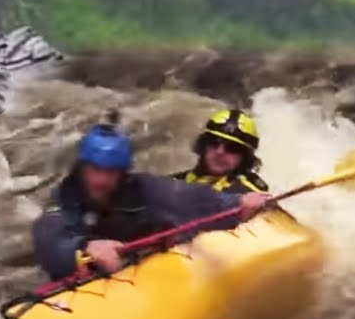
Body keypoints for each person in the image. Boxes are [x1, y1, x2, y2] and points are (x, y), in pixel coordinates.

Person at [31, 113, 272, 280]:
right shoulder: (65, 196)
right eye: (95, 170)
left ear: (123, 173)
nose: (101, 181)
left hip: (133, 271)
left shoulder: (143, 187)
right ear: (82, 168)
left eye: (111, 172)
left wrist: (238, 204)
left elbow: (196, 200)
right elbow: (48, 238)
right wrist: (84, 247)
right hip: (86, 274)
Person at [172, 109, 270, 194]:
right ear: (203, 145)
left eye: (233, 148)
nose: (220, 152)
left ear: (245, 156)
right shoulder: (173, 183)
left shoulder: (251, 194)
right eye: (213, 142)